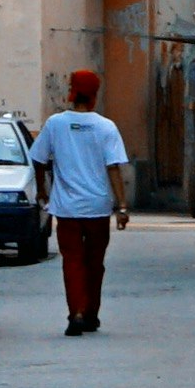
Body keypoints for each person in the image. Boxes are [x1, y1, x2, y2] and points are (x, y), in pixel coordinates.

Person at [36, 68, 131, 334]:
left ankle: (76, 312)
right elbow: (114, 168)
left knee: (73, 261)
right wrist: (122, 207)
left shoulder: (55, 124)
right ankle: (91, 313)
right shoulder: (106, 126)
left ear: (71, 92)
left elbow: (39, 159)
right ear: (94, 95)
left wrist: (42, 191)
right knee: (95, 262)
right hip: (98, 207)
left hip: (67, 208)